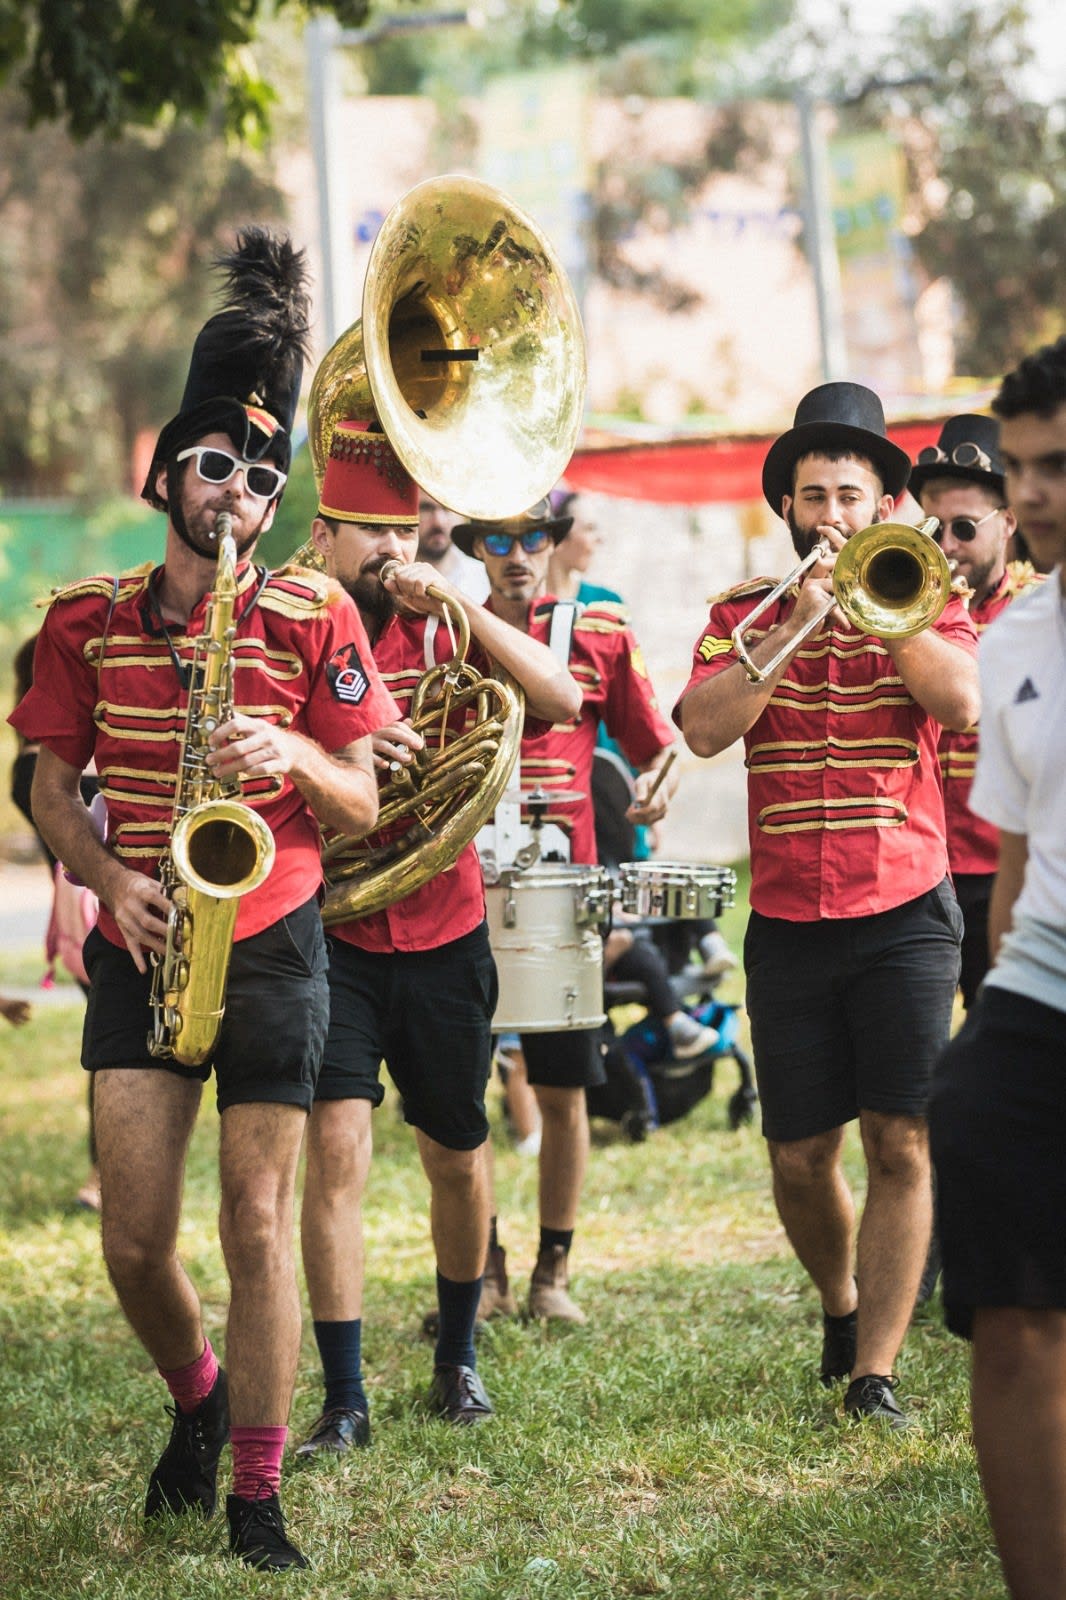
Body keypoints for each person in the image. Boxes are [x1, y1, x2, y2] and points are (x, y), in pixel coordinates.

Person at [8, 230, 398, 1572]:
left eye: (259, 473)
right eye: (214, 465)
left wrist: (292, 756)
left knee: (257, 1221)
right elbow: (47, 781)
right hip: (147, 933)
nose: (237, 490)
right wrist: (110, 879)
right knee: (130, 1240)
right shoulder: (85, 619)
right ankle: (198, 1391)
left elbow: (366, 800)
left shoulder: (312, 616)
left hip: (276, 931)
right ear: (166, 474)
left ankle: (257, 1497)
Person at [676, 381, 979, 1429]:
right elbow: (706, 729)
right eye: (814, 497)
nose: (832, 514)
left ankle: (875, 1372)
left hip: (903, 909)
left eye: (851, 494)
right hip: (792, 920)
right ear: (791, 510)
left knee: (901, 1139)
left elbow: (961, 701)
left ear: (885, 503)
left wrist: (882, 614)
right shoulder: (738, 616)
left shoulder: (926, 599)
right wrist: (798, 622)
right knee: (801, 1156)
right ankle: (843, 1304)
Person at [295, 422, 581, 1451]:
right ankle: (343, 1392)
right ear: (323, 534)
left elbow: (560, 697)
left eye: (405, 526)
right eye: (367, 529)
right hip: (333, 929)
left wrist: (459, 602)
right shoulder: (292, 626)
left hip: (447, 926)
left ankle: (457, 1356)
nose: (390, 547)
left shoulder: (444, 625)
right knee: (334, 1149)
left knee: (456, 1153)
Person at [450, 498, 680, 1324]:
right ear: (476, 549)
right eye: (500, 541)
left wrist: (661, 780)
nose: (518, 555)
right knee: (456, 1091)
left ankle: (552, 1273)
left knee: (561, 1087)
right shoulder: (444, 631)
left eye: (532, 538)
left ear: (552, 543)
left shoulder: (601, 633)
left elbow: (655, 745)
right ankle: (484, 1269)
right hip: (458, 891)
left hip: (562, 889)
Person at [930, 336, 1066, 1600]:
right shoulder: (1017, 634)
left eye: (1057, 467)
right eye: (1018, 468)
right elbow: (1017, 868)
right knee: (1013, 1310)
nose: (1028, 497)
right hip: (1043, 986)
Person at [909, 414, 1043, 1008]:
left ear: (1008, 522)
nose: (945, 548)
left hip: (1020, 870)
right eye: (932, 528)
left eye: (964, 527)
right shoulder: (903, 607)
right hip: (924, 877)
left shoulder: (1047, 612)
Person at [11, 632, 102, 1210]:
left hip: (80, 922)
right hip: (90, 919)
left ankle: (105, 1175)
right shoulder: (38, 767)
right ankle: (103, 1176)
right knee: (117, 1050)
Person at [416, 492, 490, 602]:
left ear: (463, 516)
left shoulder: (485, 578)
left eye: (448, 508)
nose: (439, 522)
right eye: (426, 508)